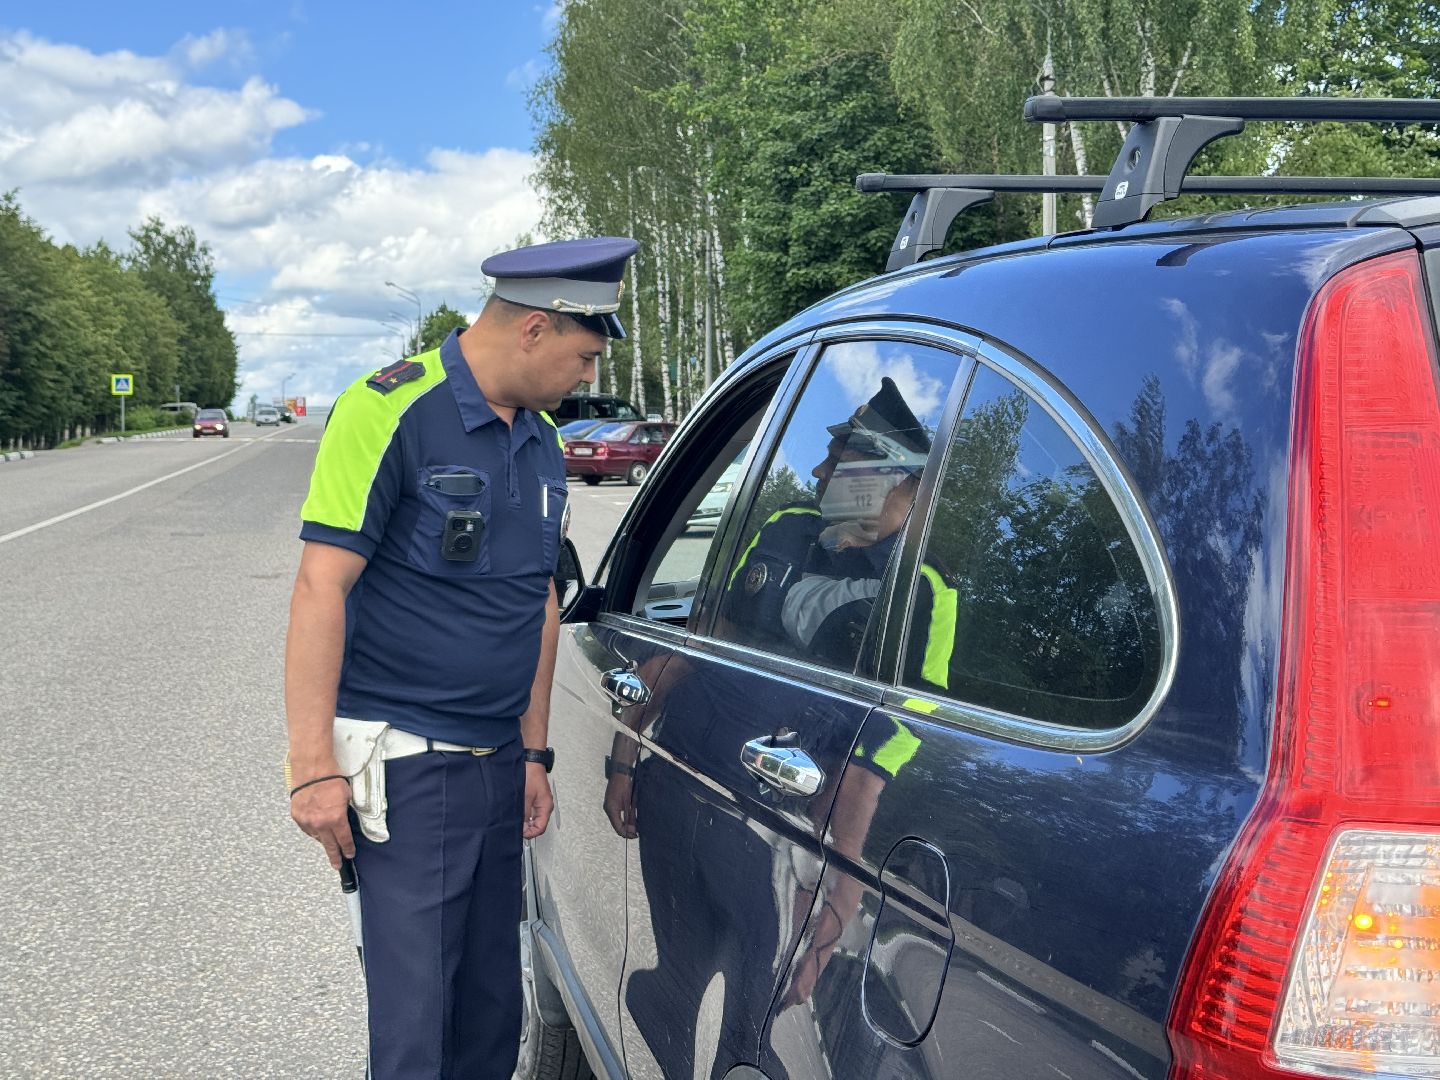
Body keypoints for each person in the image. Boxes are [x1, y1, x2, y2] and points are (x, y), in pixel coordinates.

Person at [285, 236, 638, 1079]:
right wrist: (310, 769)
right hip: (408, 764)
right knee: (417, 1027)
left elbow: (538, 602)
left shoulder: (541, 441)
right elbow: (320, 586)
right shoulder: (388, 409)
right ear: (534, 329)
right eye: (585, 356)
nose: (588, 376)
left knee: (490, 1014)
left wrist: (535, 754)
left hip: (496, 763)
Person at [722, 376, 956, 680]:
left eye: (837, 463)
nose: (817, 470)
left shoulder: (920, 583)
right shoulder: (787, 524)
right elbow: (721, 623)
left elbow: (913, 704)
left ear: (891, 480)